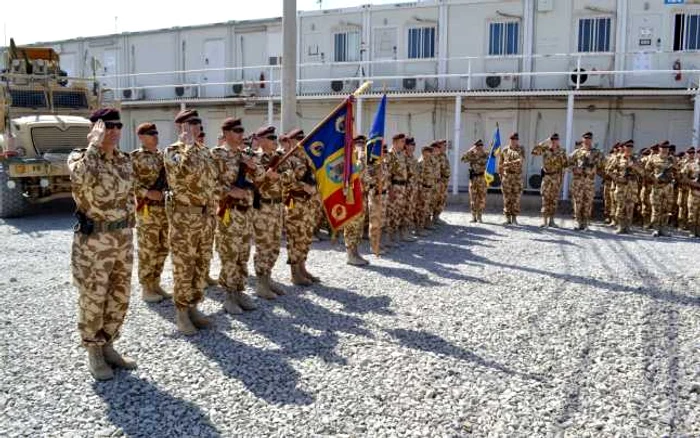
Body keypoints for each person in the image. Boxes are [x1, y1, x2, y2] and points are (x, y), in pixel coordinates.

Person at [68, 107, 136, 380]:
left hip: (123, 239)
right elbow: (80, 179)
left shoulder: (123, 160)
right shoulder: (80, 157)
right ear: (95, 129)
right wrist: (94, 146)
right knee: (94, 297)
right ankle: (93, 351)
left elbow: (129, 196)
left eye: (118, 126)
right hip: (94, 242)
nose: (115, 131)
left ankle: (108, 344)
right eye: (108, 126)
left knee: (119, 296)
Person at [163, 109, 218, 335]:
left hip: (205, 217)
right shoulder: (172, 152)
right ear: (180, 127)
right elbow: (182, 173)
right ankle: (182, 312)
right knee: (184, 267)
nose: (195, 126)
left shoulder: (205, 151)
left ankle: (194, 305)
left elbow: (212, 180)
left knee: (201, 264)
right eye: (190, 123)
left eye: (197, 122)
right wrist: (187, 147)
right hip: (184, 218)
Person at [211, 117, 262, 315]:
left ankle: (240, 291)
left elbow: (262, 178)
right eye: (236, 130)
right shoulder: (217, 155)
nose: (241, 134)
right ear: (226, 134)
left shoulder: (246, 155)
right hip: (229, 214)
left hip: (246, 214)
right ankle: (229, 295)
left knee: (243, 255)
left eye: (242, 130)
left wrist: (252, 166)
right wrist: (228, 191)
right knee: (229, 255)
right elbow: (208, 182)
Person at [252, 125, 293, 299]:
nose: (274, 141)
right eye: (270, 138)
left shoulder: (279, 158)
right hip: (263, 207)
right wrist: (267, 175)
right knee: (263, 245)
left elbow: (290, 176)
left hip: (277, 206)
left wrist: (279, 176)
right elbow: (254, 179)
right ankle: (261, 283)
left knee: (275, 245)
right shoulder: (255, 159)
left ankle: (268, 278)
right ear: (260, 140)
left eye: (274, 138)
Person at [131, 123, 171, 303]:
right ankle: (146, 288)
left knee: (163, 248)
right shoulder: (135, 157)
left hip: (164, 209)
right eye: (150, 134)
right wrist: (146, 192)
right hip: (147, 211)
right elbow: (128, 181)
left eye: (156, 132)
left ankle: (156, 283)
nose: (155, 136)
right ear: (141, 137)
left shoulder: (164, 156)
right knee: (148, 250)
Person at [280, 128, 321, 284]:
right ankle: (295, 273)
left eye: (303, 138)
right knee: (295, 238)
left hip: (308, 204)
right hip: (294, 203)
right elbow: (285, 180)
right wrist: (303, 186)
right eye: (299, 139)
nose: (302, 141)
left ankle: (303, 268)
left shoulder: (307, 158)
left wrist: (313, 189)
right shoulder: (287, 158)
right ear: (291, 141)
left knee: (305, 237)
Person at [567, 131, 604, 230]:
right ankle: (578, 222)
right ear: (582, 139)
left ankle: (586, 223)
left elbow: (602, 166)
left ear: (591, 140)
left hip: (589, 182)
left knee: (588, 203)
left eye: (589, 138)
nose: (587, 140)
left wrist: (594, 168)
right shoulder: (577, 152)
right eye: (585, 138)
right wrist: (575, 168)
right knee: (577, 202)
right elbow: (567, 165)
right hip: (578, 182)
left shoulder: (597, 153)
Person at [344, 135, 371, 265]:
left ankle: (355, 252)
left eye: (363, 143)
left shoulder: (363, 157)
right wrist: (360, 154)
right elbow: (358, 169)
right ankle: (350, 254)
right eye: (359, 143)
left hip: (362, 195)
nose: (362, 145)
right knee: (352, 225)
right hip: (352, 196)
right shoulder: (351, 156)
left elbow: (365, 175)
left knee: (359, 225)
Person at [531, 133, 568, 227]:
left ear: (558, 140)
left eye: (556, 139)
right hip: (546, 177)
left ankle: (552, 221)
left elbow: (566, 165)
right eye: (552, 139)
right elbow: (534, 152)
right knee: (545, 199)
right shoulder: (545, 149)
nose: (554, 141)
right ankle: (544, 221)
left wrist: (562, 176)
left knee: (554, 199)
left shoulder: (562, 151)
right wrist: (544, 142)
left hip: (556, 177)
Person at [610, 140, 643, 234]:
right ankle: (620, 226)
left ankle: (628, 227)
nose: (629, 149)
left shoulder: (636, 159)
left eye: (631, 147)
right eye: (627, 147)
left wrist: (635, 167)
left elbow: (643, 173)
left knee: (630, 207)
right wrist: (617, 178)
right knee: (620, 207)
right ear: (624, 148)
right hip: (621, 187)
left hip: (632, 187)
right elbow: (608, 170)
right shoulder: (617, 158)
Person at [645, 141, 677, 237]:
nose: (665, 150)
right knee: (656, 208)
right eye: (663, 148)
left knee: (666, 209)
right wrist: (653, 178)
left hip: (668, 187)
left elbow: (678, 172)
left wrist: (674, 177)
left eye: (666, 148)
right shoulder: (653, 158)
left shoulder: (672, 159)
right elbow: (646, 171)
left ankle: (663, 229)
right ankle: (655, 229)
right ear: (659, 149)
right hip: (657, 187)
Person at [386, 133, 410, 244]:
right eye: (402, 141)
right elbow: (388, 174)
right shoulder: (390, 155)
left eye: (404, 141)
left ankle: (394, 235)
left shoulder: (402, 154)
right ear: (395, 142)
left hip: (402, 187)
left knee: (399, 211)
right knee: (392, 212)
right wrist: (390, 190)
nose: (404, 143)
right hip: (394, 187)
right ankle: (389, 237)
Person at [497, 132, 525, 225]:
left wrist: (507, 164)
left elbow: (520, 161)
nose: (514, 141)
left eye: (515, 140)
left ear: (518, 140)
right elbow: (500, 164)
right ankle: (507, 218)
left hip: (517, 177)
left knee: (516, 197)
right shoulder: (504, 150)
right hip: (506, 177)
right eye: (512, 140)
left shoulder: (521, 149)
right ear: (510, 140)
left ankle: (514, 218)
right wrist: (501, 176)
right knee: (507, 198)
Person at [461, 139, 489, 223]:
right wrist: (470, 150)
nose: (479, 148)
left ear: (482, 146)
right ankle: (473, 216)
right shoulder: (472, 154)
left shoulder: (486, 154)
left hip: (483, 178)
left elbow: (493, 158)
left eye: (480, 146)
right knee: (473, 198)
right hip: (473, 179)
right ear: (475, 147)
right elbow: (462, 159)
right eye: (477, 146)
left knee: (482, 198)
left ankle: (479, 216)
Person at [681, 149, 700, 237]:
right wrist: (693, 183)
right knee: (692, 213)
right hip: (694, 193)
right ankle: (692, 231)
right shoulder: (690, 165)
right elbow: (683, 177)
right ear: (697, 155)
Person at [432, 140, 451, 225]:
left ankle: (437, 216)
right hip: (438, 182)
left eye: (445, 146)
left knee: (442, 200)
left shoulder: (444, 155)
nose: (445, 147)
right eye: (443, 146)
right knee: (436, 200)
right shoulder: (436, 156)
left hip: (444, 181)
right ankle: (432, 218)